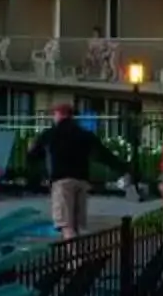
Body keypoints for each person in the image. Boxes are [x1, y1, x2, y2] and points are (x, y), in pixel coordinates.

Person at [26, 102, 125, 240]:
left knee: (66, 225)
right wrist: (123, 168)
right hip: (82, 181)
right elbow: (103, 154)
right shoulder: (84, 134)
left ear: (59, 114)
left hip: (62, 182)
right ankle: (79, 256)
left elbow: (33, 157)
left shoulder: (50, 133)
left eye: (54, 114)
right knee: (77, 225)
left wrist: (31, 151)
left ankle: (75, 260)